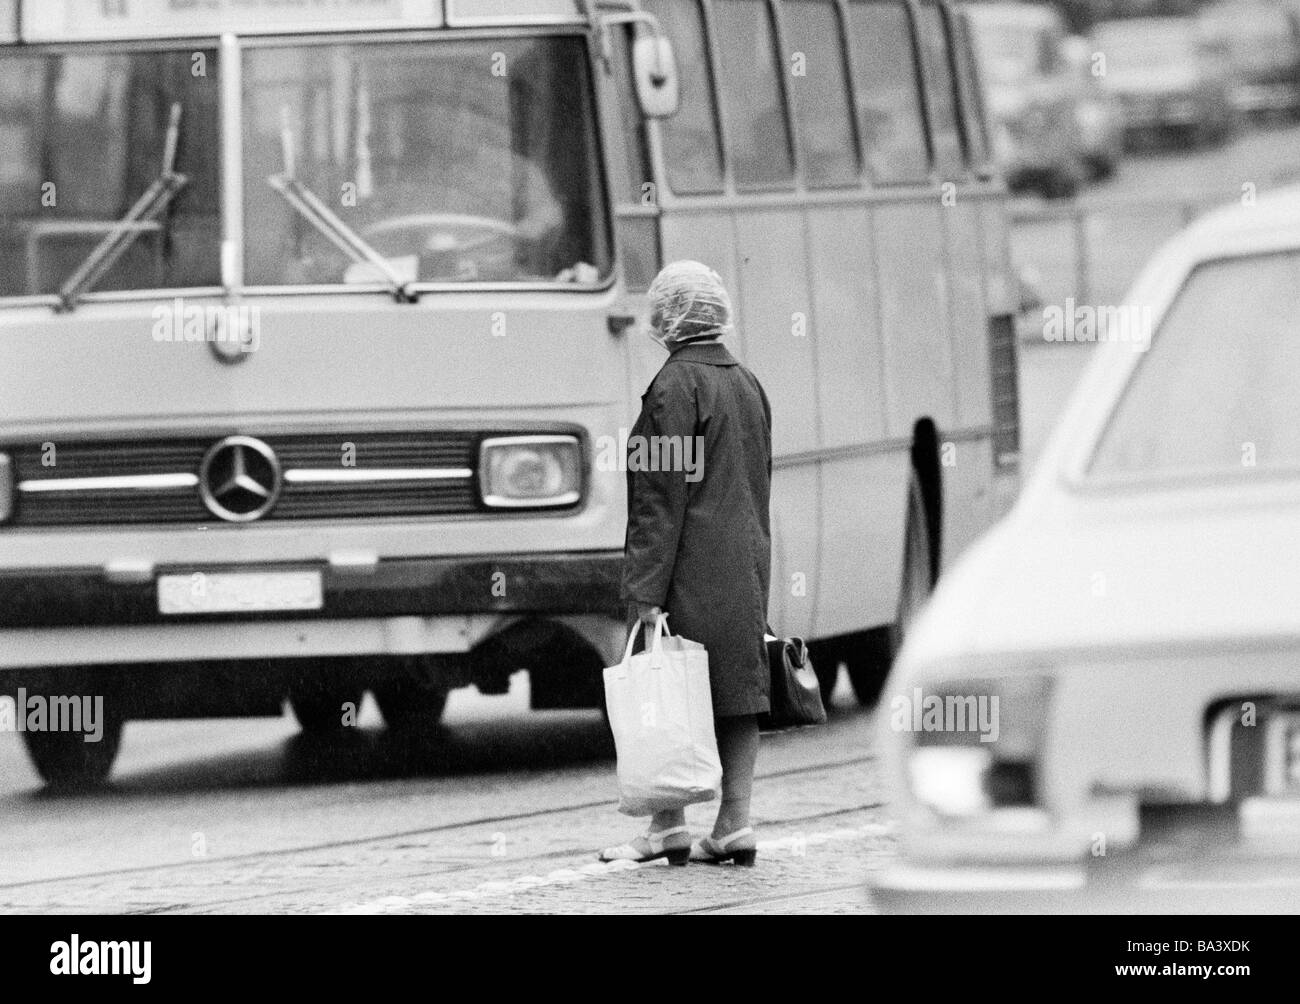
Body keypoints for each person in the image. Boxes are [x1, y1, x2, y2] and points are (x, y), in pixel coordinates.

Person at [599, 260, 773, 867]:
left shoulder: (673, 388)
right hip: (744, 563)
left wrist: (644, 588)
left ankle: (666, 824)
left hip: (687, 568)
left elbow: (658, 497)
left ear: (668, 317)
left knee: (666, 690)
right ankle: (735, 823)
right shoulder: (746, 383)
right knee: (738, 690)